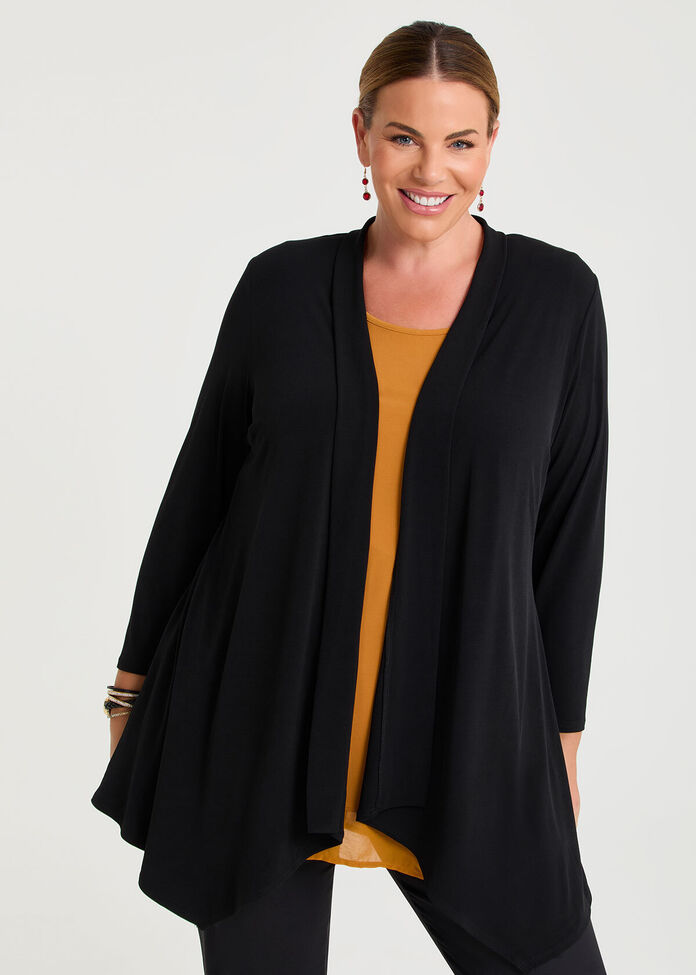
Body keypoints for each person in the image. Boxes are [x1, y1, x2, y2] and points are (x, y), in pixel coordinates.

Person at [92, 20, 609, 975]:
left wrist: (561, 737)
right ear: (362, 133)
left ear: (493, 143)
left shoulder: (558, 300)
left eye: (460, 140)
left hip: (466, 722)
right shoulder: (279, 287)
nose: (432, 169)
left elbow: (568, 534)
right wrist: (132, 683)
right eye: (404, 135)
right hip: (261, 713)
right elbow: (200, 491)